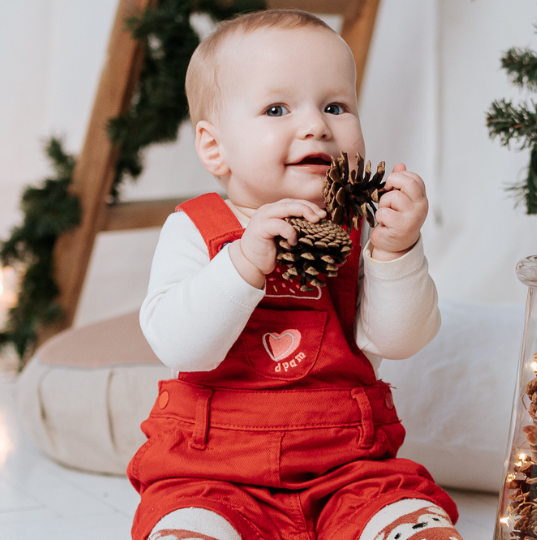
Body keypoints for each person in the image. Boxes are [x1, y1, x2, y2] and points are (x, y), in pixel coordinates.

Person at [127, 9, 460, 540]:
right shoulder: (194, 227)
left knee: (403, 509)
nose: (316, 126)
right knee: (189, 519)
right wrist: (242, 264)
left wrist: (398, 250)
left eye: (335, 105)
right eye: (276, 108)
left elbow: (400, 339)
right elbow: (180, 345)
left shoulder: (357, 230)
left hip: (346, 466)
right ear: (215, 147)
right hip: (213, 469)